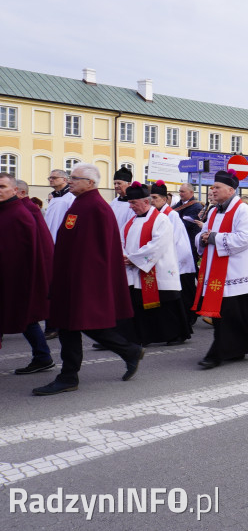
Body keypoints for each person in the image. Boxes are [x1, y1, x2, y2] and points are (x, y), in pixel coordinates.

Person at [33, 164, 144, 395]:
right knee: (71, 325)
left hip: (82, 279)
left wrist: (89, 281)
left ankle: (69, 376)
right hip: (69, 277)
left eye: (75, 178)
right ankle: (127, 352)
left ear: (90, 183)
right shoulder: (80, 202)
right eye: (70, 177)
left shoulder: (97, 207)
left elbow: (101, 250)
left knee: (76, 325)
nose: (70, 181)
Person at [193, 170, 248, 369]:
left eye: (217, 187)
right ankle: (238, 348)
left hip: (237, 273)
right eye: (212, 187)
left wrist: (213, 238)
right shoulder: (214, 210)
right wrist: (203, 239)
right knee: (236, 315)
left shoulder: (242, 210)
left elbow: (244, 238)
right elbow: (204, 233)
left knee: (229, 315)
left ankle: (217, 353)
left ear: (230, 190)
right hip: (218, 273)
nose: (212, 190)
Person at [116, 182, 191, 347]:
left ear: (146, 202)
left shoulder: (161, 220)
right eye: (129, 203)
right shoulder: (130, 222)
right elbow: (120, 241)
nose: (131, 207)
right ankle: (141, 336)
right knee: (140, 306)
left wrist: (134, 259)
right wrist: (124, 256)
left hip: (159, 269)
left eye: (133, 203)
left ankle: (177, 334)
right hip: (136, 270)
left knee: (167, 306)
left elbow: (158, 244)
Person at [0, 173, 55, 375]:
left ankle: (43, 356)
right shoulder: (7, 210)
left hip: (17, 278)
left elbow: (29, 251)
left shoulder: (20, 213)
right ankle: (42, 356)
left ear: (15, 190)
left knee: (26, 318)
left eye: (2, 186)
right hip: (8, 276)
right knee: (25, 318)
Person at [150, 180, 198, 334]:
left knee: (181, 297)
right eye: (150, 197)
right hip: (166, 262)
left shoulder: (171, 215)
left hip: (179, 263)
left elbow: (178, 242)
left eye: (155, 198)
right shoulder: (157, 214)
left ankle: (184, 326)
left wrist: (173, 264)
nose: (152, 201)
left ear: (164, 199)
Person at [173, 183, 204, 263]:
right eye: (180, 191)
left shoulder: (197, 207)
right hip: (178, 243)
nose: (180, 194)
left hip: (190, 243)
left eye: (183, 192)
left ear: (191, 192)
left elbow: (185, 224)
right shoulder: (177, 205)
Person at [43, 169, 75, 242]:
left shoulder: (71, 198)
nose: (50, 180)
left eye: (54, 178)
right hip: (49, 239)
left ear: (64, 179)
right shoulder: (53, 198)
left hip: (62, 239)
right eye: (49, 178)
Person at [109, 166, 135, 231]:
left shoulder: (133, 203)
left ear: (129, 184)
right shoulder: (114, 202)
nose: (116, 186)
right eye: (114, 183)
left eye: (119, 183)